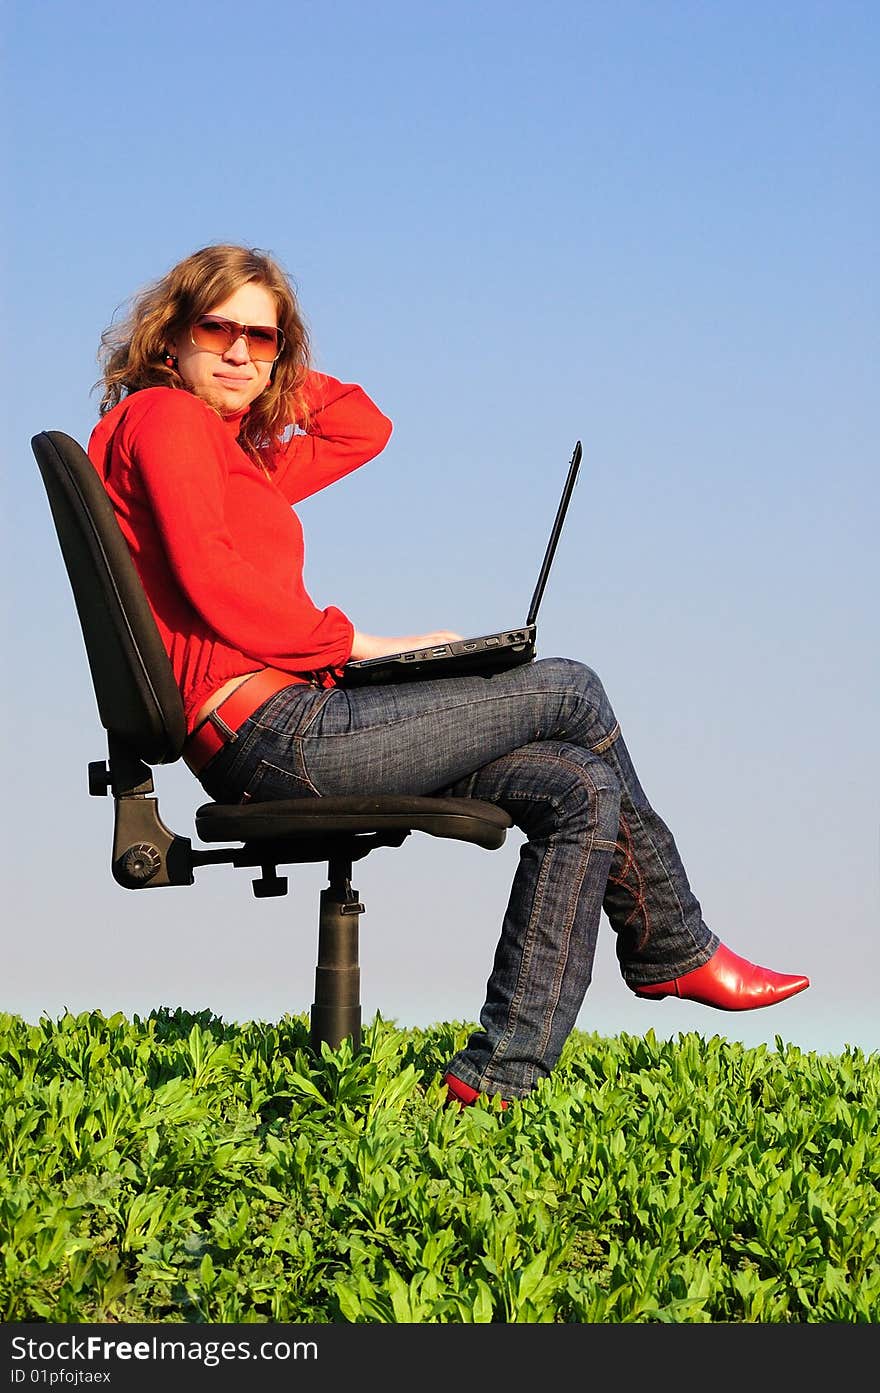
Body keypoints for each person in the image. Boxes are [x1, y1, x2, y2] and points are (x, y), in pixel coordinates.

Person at [88, 243, 810, 1107]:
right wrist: (367, 643)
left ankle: (496, 1080)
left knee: (577, 786)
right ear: (169, 336)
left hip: (290, 722)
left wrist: (270, 379)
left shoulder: (233, 453)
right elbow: (217, 587)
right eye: (219, 329)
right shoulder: (167, 422)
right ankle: (672, 948)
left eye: (264, 337)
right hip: (272, 733)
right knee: (571, 687)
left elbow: (363, 427)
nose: (241, 350)